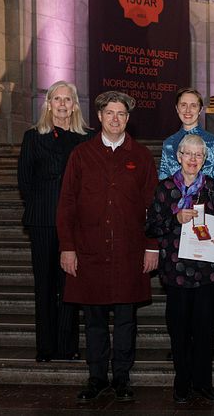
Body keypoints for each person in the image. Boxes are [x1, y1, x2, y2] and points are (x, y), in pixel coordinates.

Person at [57, 91, 159, 403]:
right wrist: (67, 247)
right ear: (99, 117)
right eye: (110, 113)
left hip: (129, 252)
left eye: (121, 114)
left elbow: (152, 206)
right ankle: (97, 376)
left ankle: (123, 377)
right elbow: (67, 204)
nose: (115, 119)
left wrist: (152, 247)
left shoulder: (141, 156)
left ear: (128, 119)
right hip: (89, 251)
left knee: (127, 320)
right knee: (95, 318)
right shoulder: (81, 155)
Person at [146, 134, 214, 405]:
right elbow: (151, 227)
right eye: (188, 154)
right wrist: (175, 218)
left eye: (199, 155)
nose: (193, 160)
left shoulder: (211, 188)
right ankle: (181, 382)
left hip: (206, 271)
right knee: (179, 331)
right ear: (179, 157)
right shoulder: (165, 188)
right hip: (176, 271)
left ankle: (204, 382)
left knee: (205, 331)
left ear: (204, 160)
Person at [17, 80, 90, 363]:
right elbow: (25, 181)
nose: (61, 104)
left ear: (74, 105)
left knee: (69, 285)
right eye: (56, 99)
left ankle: (67, 346)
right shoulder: (33, 137)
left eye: (67, 99)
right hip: (43, 221)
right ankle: (46, 347)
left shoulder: (86, 138)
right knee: (45, 285)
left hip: (75, 223)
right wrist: (47, 204)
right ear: (48, 104)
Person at [158, 88, 214, 201]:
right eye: (183, 105)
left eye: (193, 105)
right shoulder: (168, 144)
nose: (188, 110)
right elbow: (163, 181)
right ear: (177, 108)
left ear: (200, 109)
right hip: (175, 207)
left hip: (205, 206)